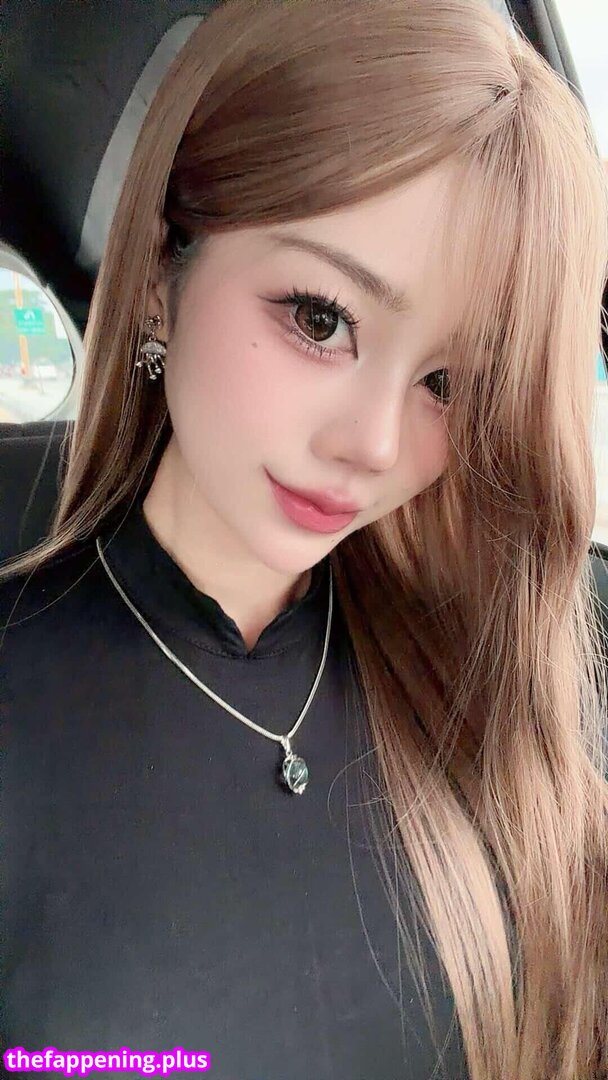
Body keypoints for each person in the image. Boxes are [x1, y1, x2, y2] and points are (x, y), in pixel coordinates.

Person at [1, 0, 607, 1077]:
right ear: (160, 272)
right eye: (321, 319)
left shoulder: (502, 698)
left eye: (449, 384)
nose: (373, 445)